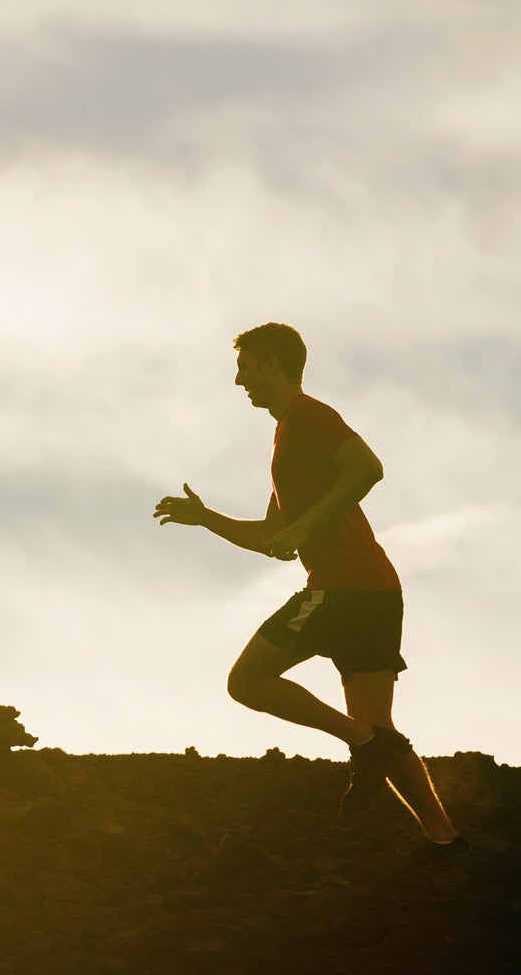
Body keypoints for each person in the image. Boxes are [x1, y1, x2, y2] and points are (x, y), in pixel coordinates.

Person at [153, 322, 464, 853]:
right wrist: (206, 518)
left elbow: (367, 468)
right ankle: (446, 841)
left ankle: (363, 744)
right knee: (380, 727)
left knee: (247, 681)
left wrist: (303, 529)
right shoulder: (286, 439)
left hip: (343, 586)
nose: (239, 381)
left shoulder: (308, 417)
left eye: (246, 368)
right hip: (377, 591)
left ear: (273, 364)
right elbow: (270, 536)